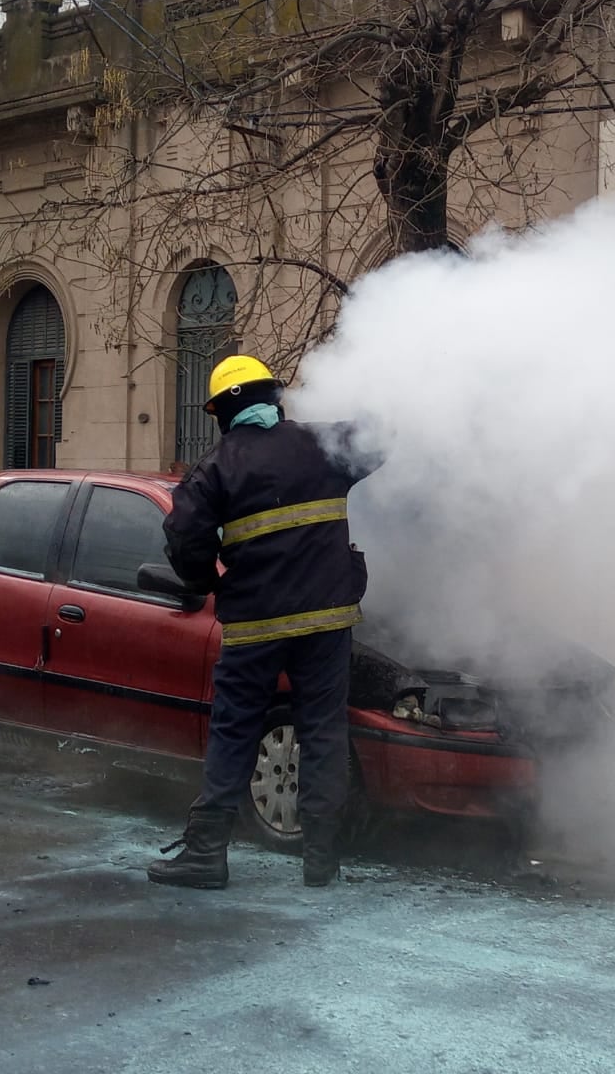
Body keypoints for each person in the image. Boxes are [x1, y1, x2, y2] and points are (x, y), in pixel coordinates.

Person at [147, 355, 384, 890]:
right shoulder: (326, 448)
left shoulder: (215, 468)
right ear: (273, 398)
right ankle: (322, 860)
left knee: (234, 731)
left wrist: (203, 579)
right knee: (323, 732)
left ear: (221, 413)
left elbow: (184, 538)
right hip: (327, 623)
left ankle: (207, 855)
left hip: (255, 626)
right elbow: (381, 438)